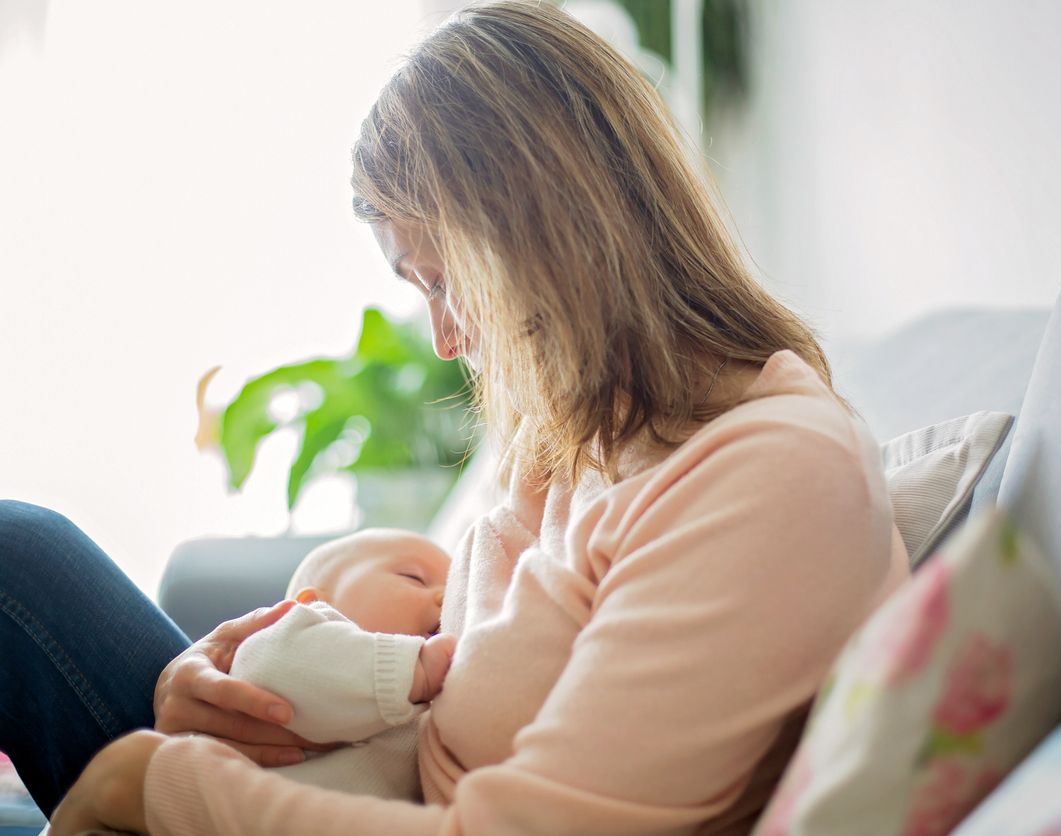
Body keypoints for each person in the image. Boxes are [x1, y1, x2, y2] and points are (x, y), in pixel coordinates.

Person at [0, 1, 911, 833]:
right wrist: (225, 677)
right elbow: (451, 684)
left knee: (14, 561)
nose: (441, 338)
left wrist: (153, 783)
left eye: (446, 282)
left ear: (550, 238)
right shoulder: (588, 431)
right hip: (356, 789)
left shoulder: (769, 481)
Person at [229, 529, 456, 801]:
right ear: (313, 602)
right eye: (414, 578)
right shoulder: (291, 637)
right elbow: (267, 666)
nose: (446, 597)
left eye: (455, 590)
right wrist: (415, 670)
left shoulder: (431, 706)